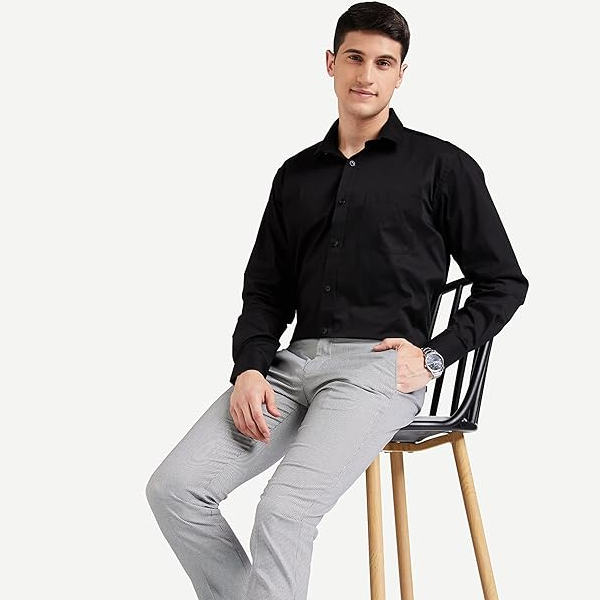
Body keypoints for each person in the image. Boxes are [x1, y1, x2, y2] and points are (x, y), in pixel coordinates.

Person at [145, 2, 529, 599]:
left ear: (401, 74)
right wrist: (249, 368)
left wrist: (434, 356)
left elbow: (504, 281)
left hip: (378, 370)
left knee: (283, 511)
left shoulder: (443, 166)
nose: (366, 75)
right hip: (290, 368)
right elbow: (265, 291)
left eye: (383, 63)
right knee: (175, 489)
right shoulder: (296, 175)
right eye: (354, 58)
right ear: (330, 63)